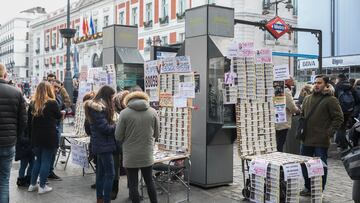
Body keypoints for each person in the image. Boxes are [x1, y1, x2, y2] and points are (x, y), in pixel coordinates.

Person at [300, 75, 344, 196]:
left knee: (321, 167)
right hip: (306, 139)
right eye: (315, 82)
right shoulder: (307, 99)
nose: (316, 85)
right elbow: (303, 116)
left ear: (326, 84)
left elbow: (339, 118)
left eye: (319, 82)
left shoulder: (331, 100)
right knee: (304, 164)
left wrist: (329, 133)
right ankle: (307, 187)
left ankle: (319, 189)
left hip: (321, 139)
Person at [115, 88, 159, 203]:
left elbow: (118, 136)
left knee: (133, 185)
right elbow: (156, 134)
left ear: (128, 100)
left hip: (130, 155)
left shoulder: (124, 114)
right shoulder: (153, 111)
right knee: (149, 182)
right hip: (146, 153)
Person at [28, 81, 61, 194]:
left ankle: (32, 184)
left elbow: (29, 122)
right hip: (49, 136)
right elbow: (58, 116)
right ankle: (42, 186)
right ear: (49, 90)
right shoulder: (52, 103)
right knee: (46, 161)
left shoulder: (33, 103)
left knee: (39, 160)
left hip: (36, 137)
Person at [84, 86, 116, 203]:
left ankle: (100, 199)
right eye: (111, 97)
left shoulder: (97, 107)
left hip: (100, 144)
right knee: (110, 174)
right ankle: (106, 200)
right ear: (107, 96)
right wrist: (116, 125)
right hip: (104, 145)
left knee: (101, 173)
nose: (112, 99)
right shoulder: (98, 109)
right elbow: (105, 128)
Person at [0, 64, 27, 202]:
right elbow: (23, 120)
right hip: (8, 142)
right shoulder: (16, 92)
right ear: (5, 75)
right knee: (4, 181)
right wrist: (15, 135)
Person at [111, 90, 130, 200]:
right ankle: (114, 189)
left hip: (127, 143)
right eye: (124, 99)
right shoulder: (113, 112)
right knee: (115, 166)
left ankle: (131, 187)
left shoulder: (130, 111)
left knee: (129, 167)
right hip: (116, 143)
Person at [47, 79, 66, 181]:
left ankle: (50, 170)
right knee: (49, 151)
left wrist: (64, 111)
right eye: (55, 87)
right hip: (51, 127)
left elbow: (64, 106)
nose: (57, 89)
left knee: (54, 149)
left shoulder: (58, 97)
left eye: (59, 87)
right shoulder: (48, 98)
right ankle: (47, 173)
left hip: (58, 125)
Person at [275, 77, 300, 152]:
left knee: (276, 143)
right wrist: (298, 110)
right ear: (287, 81)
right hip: (282, 121)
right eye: (292, 80)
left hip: (275, 120)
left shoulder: (276, 88)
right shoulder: (286, 90)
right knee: (280, 144)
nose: (293, 82)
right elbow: (291, 106)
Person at [15, 104, 34, 187]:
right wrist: (31, 141)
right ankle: (21, 179)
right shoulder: (23, 124)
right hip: (25, 149)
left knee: (32, 164)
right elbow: (21, 138)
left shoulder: (31, 123)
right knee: (24, 165)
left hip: (30, 148)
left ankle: (28, 178)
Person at [335, 74, 355, 150]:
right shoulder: (350, 86)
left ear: (339, 79)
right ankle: (342, 143)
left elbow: (334, 98)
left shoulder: (337, 87)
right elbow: (356, 98)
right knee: (343, 127)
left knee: (340, 127)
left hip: (339, 109)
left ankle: (342, 144)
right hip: (348, 110)